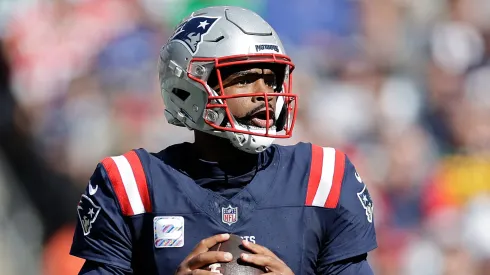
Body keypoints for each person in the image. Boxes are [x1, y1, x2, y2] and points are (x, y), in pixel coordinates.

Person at [70, 6, 377, 275]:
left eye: (270, 79)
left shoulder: (324, 177)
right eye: (244, 78)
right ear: (188, 88)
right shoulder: (130, 184)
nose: (264, 92)